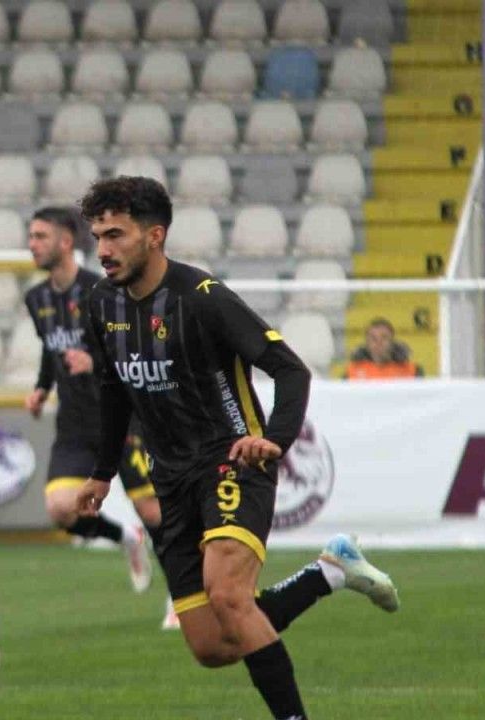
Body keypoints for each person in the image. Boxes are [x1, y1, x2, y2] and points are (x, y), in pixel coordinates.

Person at [73, 177, 399, 720]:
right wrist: (102, 472)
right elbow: (113, 390)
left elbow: (290, 370)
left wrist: (273, 440)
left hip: (231, 460)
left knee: (227, 595)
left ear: (154, 236)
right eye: (98, 236)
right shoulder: (102, 303)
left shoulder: (202, 299)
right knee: (211, 645)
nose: (103, 250)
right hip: (169, 477)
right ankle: (330, 572)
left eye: (115, 235)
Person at [22, 207, 170, 622]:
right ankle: (124, 538)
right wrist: (42, 387)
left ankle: (182, 595)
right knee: (61, 510)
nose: (32, 244)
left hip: (121, 419)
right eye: (31, 236)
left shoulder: (101, 291)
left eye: (40, 236)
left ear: (66, 242)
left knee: (153, 512)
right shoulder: (36, 299)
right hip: (74, 424)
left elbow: (133, 346)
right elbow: (51, 348)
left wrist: (94, 362)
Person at [345, 317, 424, 380]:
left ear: (392, 341)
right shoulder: (352, 372)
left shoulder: (412, 371)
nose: (378, 343)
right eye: (373, 338)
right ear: (367, 343)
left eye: (384, 337)